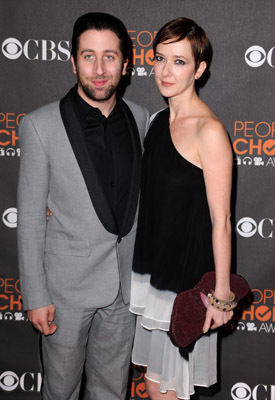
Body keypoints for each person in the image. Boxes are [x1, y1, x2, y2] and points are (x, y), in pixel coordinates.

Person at [17, 12, 149, 400]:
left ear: (125, 65)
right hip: (64, 293)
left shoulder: (141, 119)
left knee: (112, 391)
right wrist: (35, 295)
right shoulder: (41, 125)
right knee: (61, 392)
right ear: (73, 61)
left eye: (110, 56)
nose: (99, 68)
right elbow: (28, 220)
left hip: (124, 292)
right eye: (88, 56)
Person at [129, 17, 233, 400]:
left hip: (185, 283)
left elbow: (221, 221)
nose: (166, 71)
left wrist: (221, 294)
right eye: (160, 59)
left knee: (165, 391)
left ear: (199, 68)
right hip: (153, 276)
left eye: (179, 61)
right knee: (155, 386)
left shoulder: (210, 131)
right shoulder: (156, 121)